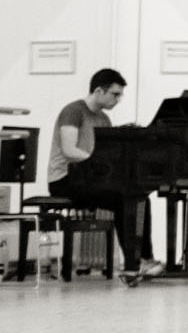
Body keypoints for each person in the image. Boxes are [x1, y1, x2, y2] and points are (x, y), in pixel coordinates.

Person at [49, 68, 158, 279]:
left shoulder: (104, 120)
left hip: (88, 179)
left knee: (138, 197)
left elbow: (106, 156)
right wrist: (97, 163)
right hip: (64, 180)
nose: (118, 99)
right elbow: (69, 150)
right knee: (123, 198)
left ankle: (142, 258)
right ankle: (134, 262)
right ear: (99, 90)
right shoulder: (73, 111)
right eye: (115, 94)